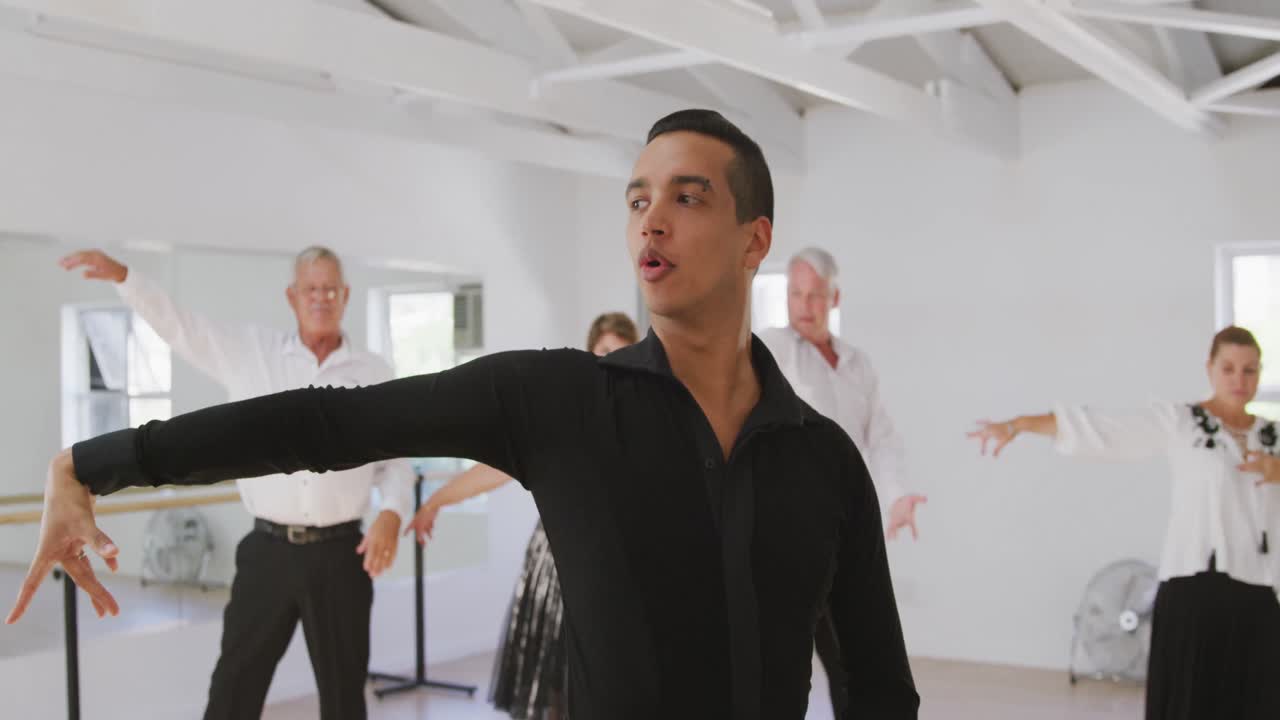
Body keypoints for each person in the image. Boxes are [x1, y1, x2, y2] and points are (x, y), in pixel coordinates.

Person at [11, 109, 919, 720]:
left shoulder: (824, 461)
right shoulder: (561, 399)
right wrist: (96, 463)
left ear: (756, 236)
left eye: (688, 198)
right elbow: (326, 425)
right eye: (639, 199)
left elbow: (880, 691)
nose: (651, 223)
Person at [56, 246, 414, 720]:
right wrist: (127, 278)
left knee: (345, 697)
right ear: (292, 296)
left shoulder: (373, 372)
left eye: (331, 289)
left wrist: (392, 512)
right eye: (311, 288)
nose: (321, 298)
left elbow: (396, 463)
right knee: (233, 689)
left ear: (345, 295)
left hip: (340, 556)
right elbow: (181, 327)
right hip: (267, 553)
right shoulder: (252, 352)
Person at [967, 325, 1280, 720]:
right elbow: (1105, 429)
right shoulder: (1182, 422)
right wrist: (1019, 425)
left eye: (1249, 370)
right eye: (1229, 368)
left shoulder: (1272, 435)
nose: (1239, 379)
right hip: (1195, 589)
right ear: (1210, 368)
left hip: (1259, 592)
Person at [408, 312, 639, 720]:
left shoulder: (645, 420)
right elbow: (494, 470)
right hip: (555, 570)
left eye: (623, 353)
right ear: (590, 355)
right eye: (605, 352)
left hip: (614, 571)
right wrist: (434, 501)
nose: (613, 362)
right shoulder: (562, 416)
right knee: (555, 685)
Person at [758, 246, 925, 716]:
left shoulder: (857, 364)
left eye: (815, 295)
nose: (804, 306)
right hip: (783, 536)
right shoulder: (769, 349)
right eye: (795, 294)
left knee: (856, 665)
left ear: (835, 298)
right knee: (776, 671)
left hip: (842, 537)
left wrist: (897, 497)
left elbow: (882, 439)